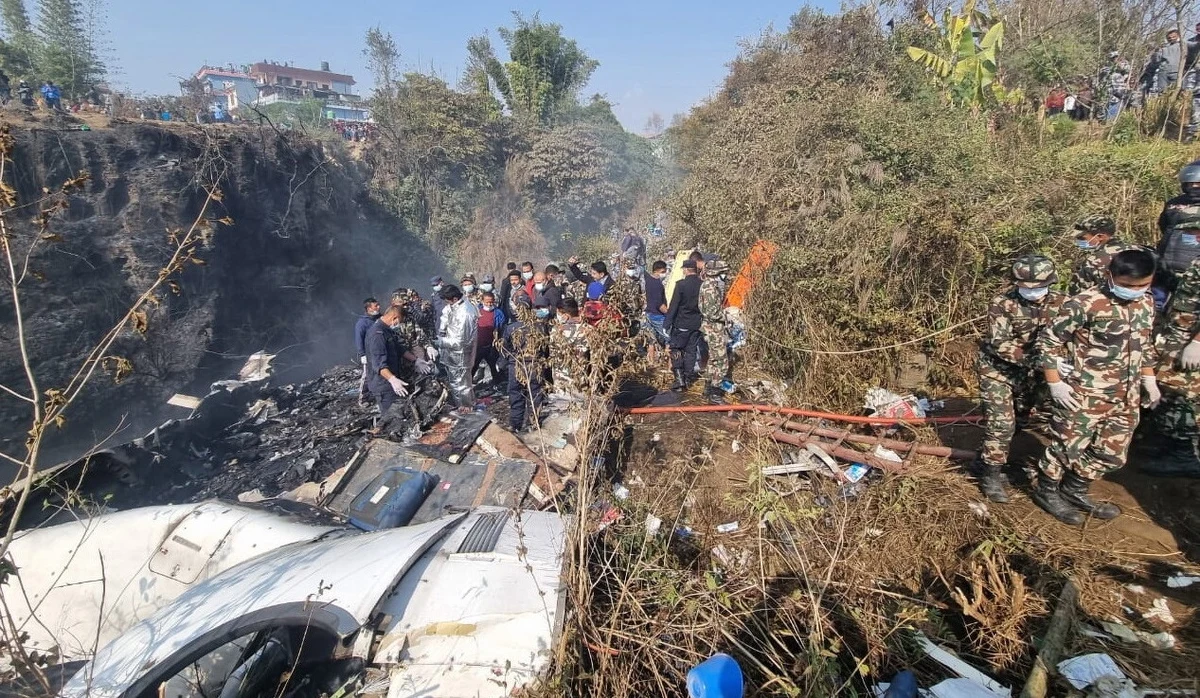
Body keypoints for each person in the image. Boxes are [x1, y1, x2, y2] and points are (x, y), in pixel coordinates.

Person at [1033, 248, 1161, 524]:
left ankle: (1074, 488)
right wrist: (1055, 384)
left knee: (1112, 453)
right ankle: (1047, 491)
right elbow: (1049, 343)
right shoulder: (1085, 303)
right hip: (1085, 392)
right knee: (1067, 447)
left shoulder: (1146, 303)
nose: (1135, 290)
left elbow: (1145, 344)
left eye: (1143, 285)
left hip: (1126, 395)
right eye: (1128, 285)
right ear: (1110, 275)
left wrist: (1150, 380)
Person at [975, 256, 1065, 503]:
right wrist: (1045, 363)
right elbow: (1000, 343)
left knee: (1022, 420)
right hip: (998, 370)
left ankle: (986, 456)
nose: (1034, 292)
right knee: (1001, 424)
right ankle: (990, 475)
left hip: (1035, 375)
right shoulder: (1002, 303)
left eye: (1039, 286)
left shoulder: (1063, 304)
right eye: (1027, 287)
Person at [365, 304, 435, 434]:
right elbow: (378, 364)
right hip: (383, 384)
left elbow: (400, 349)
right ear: (395, 318)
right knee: (390, 418)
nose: (399, 324)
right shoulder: (377, 334)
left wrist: (416, 360)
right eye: (400, 321)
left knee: (399, 414)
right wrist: (392, 379)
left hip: (393, 378)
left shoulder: (387, 330)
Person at [502, 297, 552, 432]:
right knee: (535, 394)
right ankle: (534, 422)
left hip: (516, 365)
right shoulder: (540, 327)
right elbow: (546, 348)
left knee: (516, 394)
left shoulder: (511, 328)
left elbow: (504, 348)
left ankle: (515, 424)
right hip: (535, 365)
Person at [1157, 160, 1200, 292]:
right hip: (1170, 261)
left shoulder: (1174, 203)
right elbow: (1164, 226)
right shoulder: (1173, 204)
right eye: (1190, 183)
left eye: (1198, 183)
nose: (1194, 186)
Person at [437, 284, 479, 409]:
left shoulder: (466, 312)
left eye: (446, 300)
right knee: (456, 383)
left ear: (454, 298)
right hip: (451, 354)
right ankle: (462, 405)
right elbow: (445, 318)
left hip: (461, 354)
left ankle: (466, 409)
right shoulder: (454, 307)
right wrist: (441, 332)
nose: (446, 303)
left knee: (463, 385)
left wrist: (440, 342)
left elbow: (462, 341)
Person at [665, 259, 703, 391]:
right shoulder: (702, 284)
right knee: (691, 351)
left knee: (676, 349)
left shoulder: (681, 285)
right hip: (696, 324)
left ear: (686, 270)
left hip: (682, 323)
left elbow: (674, 305)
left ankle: (680, 381)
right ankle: (687, 378)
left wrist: (667, 323)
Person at [1068, 215, 1127, 295]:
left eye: (1082, 238)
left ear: (1100, 236)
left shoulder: (1093, 261)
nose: (1078, 241)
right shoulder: (1140, 251)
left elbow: (1078, 296)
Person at [699, 259, 732, 403]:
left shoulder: (707, 285)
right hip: (714, 328)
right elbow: (712, 312)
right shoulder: (711, 288)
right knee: (721, 361)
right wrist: (727, 317)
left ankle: (708, 388)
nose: (725, 276)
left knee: (713, 359)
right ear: (717, 273)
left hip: (710, 327)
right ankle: (715, 392)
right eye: (723, 273)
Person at [473, 290, 507, 387]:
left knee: (494, 366)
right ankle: (468, 385)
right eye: (487, 302)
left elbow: (501, 328)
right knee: (474, 365)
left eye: (491, 301)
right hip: (478, 345)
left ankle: (498, 384)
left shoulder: (498, 313)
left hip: (491, 345)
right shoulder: (476, 311)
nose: (489, 304)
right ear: (482, 301)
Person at [354, 297, 382, 406]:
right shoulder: (362, 323)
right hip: (369, 354)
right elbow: (358, 339)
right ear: (369, 308)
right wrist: (362, 354)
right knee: (367, 375)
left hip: (380, 352)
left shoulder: (380, 318)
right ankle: (363, 398)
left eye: (378, 305)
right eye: (376, 306)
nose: (379, 307)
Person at [643, 260, 670, 363]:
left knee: (651, 340)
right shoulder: (657, 285)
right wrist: (669, 314)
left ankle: (651, 362)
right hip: (658, 316)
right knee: (669, 339)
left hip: (649, 314)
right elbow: (660, 305)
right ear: (659, 270)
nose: (665, 273)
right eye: (664, 271)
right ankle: (670, 365)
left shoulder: (649, 280)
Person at [1099, 52, 1132, 122]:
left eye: (1116, 57)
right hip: (1110, 91)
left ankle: (1113, 121)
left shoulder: (1122, 66)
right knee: (1110, 105)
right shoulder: (1106, 68)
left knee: (1118, 105)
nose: (1115, 59)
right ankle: (1108, 121)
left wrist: (1120, 65)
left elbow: (1127, 70)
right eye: (1113, 58)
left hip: (1119, 90)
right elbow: (1102, 73)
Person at [1152, 28, 1184, 94]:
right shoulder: (1163, 47)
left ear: (1178, 36)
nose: (1171, 38)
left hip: (1176, 72)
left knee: (1176, 92)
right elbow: (1156, 60)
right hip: (1163, 72)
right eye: (1169, 37)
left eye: (1174, 37)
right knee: (1162, 92)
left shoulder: (1183, 45)